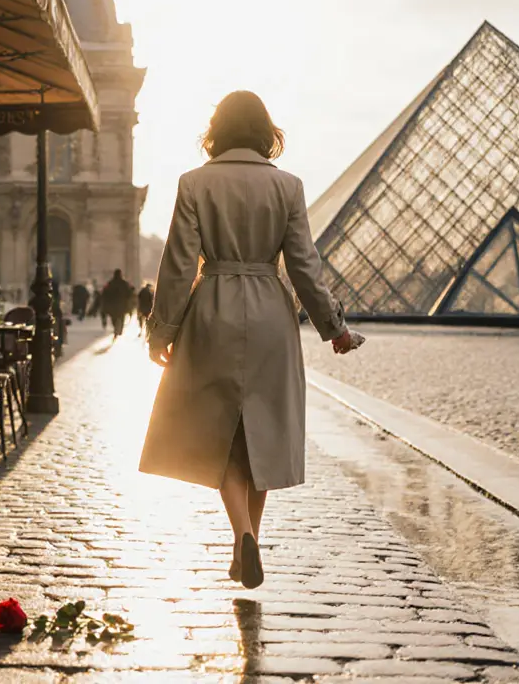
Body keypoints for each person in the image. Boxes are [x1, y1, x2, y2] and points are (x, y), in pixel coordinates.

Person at [140, 91, 358, 590]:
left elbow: (177, 265)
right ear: (267, 133)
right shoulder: (288, 186)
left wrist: (161, 330)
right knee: (259, 435)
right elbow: (304, 267)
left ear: (215, 131)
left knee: (221, 437)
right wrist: (334, 328)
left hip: (212, 306)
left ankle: (242, 536)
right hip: (269, 315)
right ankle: (250, 539)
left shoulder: (194, 183)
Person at [102, 269, 133, 339]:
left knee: (114, 318)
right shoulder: (124, 283)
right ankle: (119, 329)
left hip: (112, 304)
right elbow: (129, 293)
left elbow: (105, 293)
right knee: (121, 317)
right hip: (122, 304)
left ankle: (116, 328)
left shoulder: (110, 283)